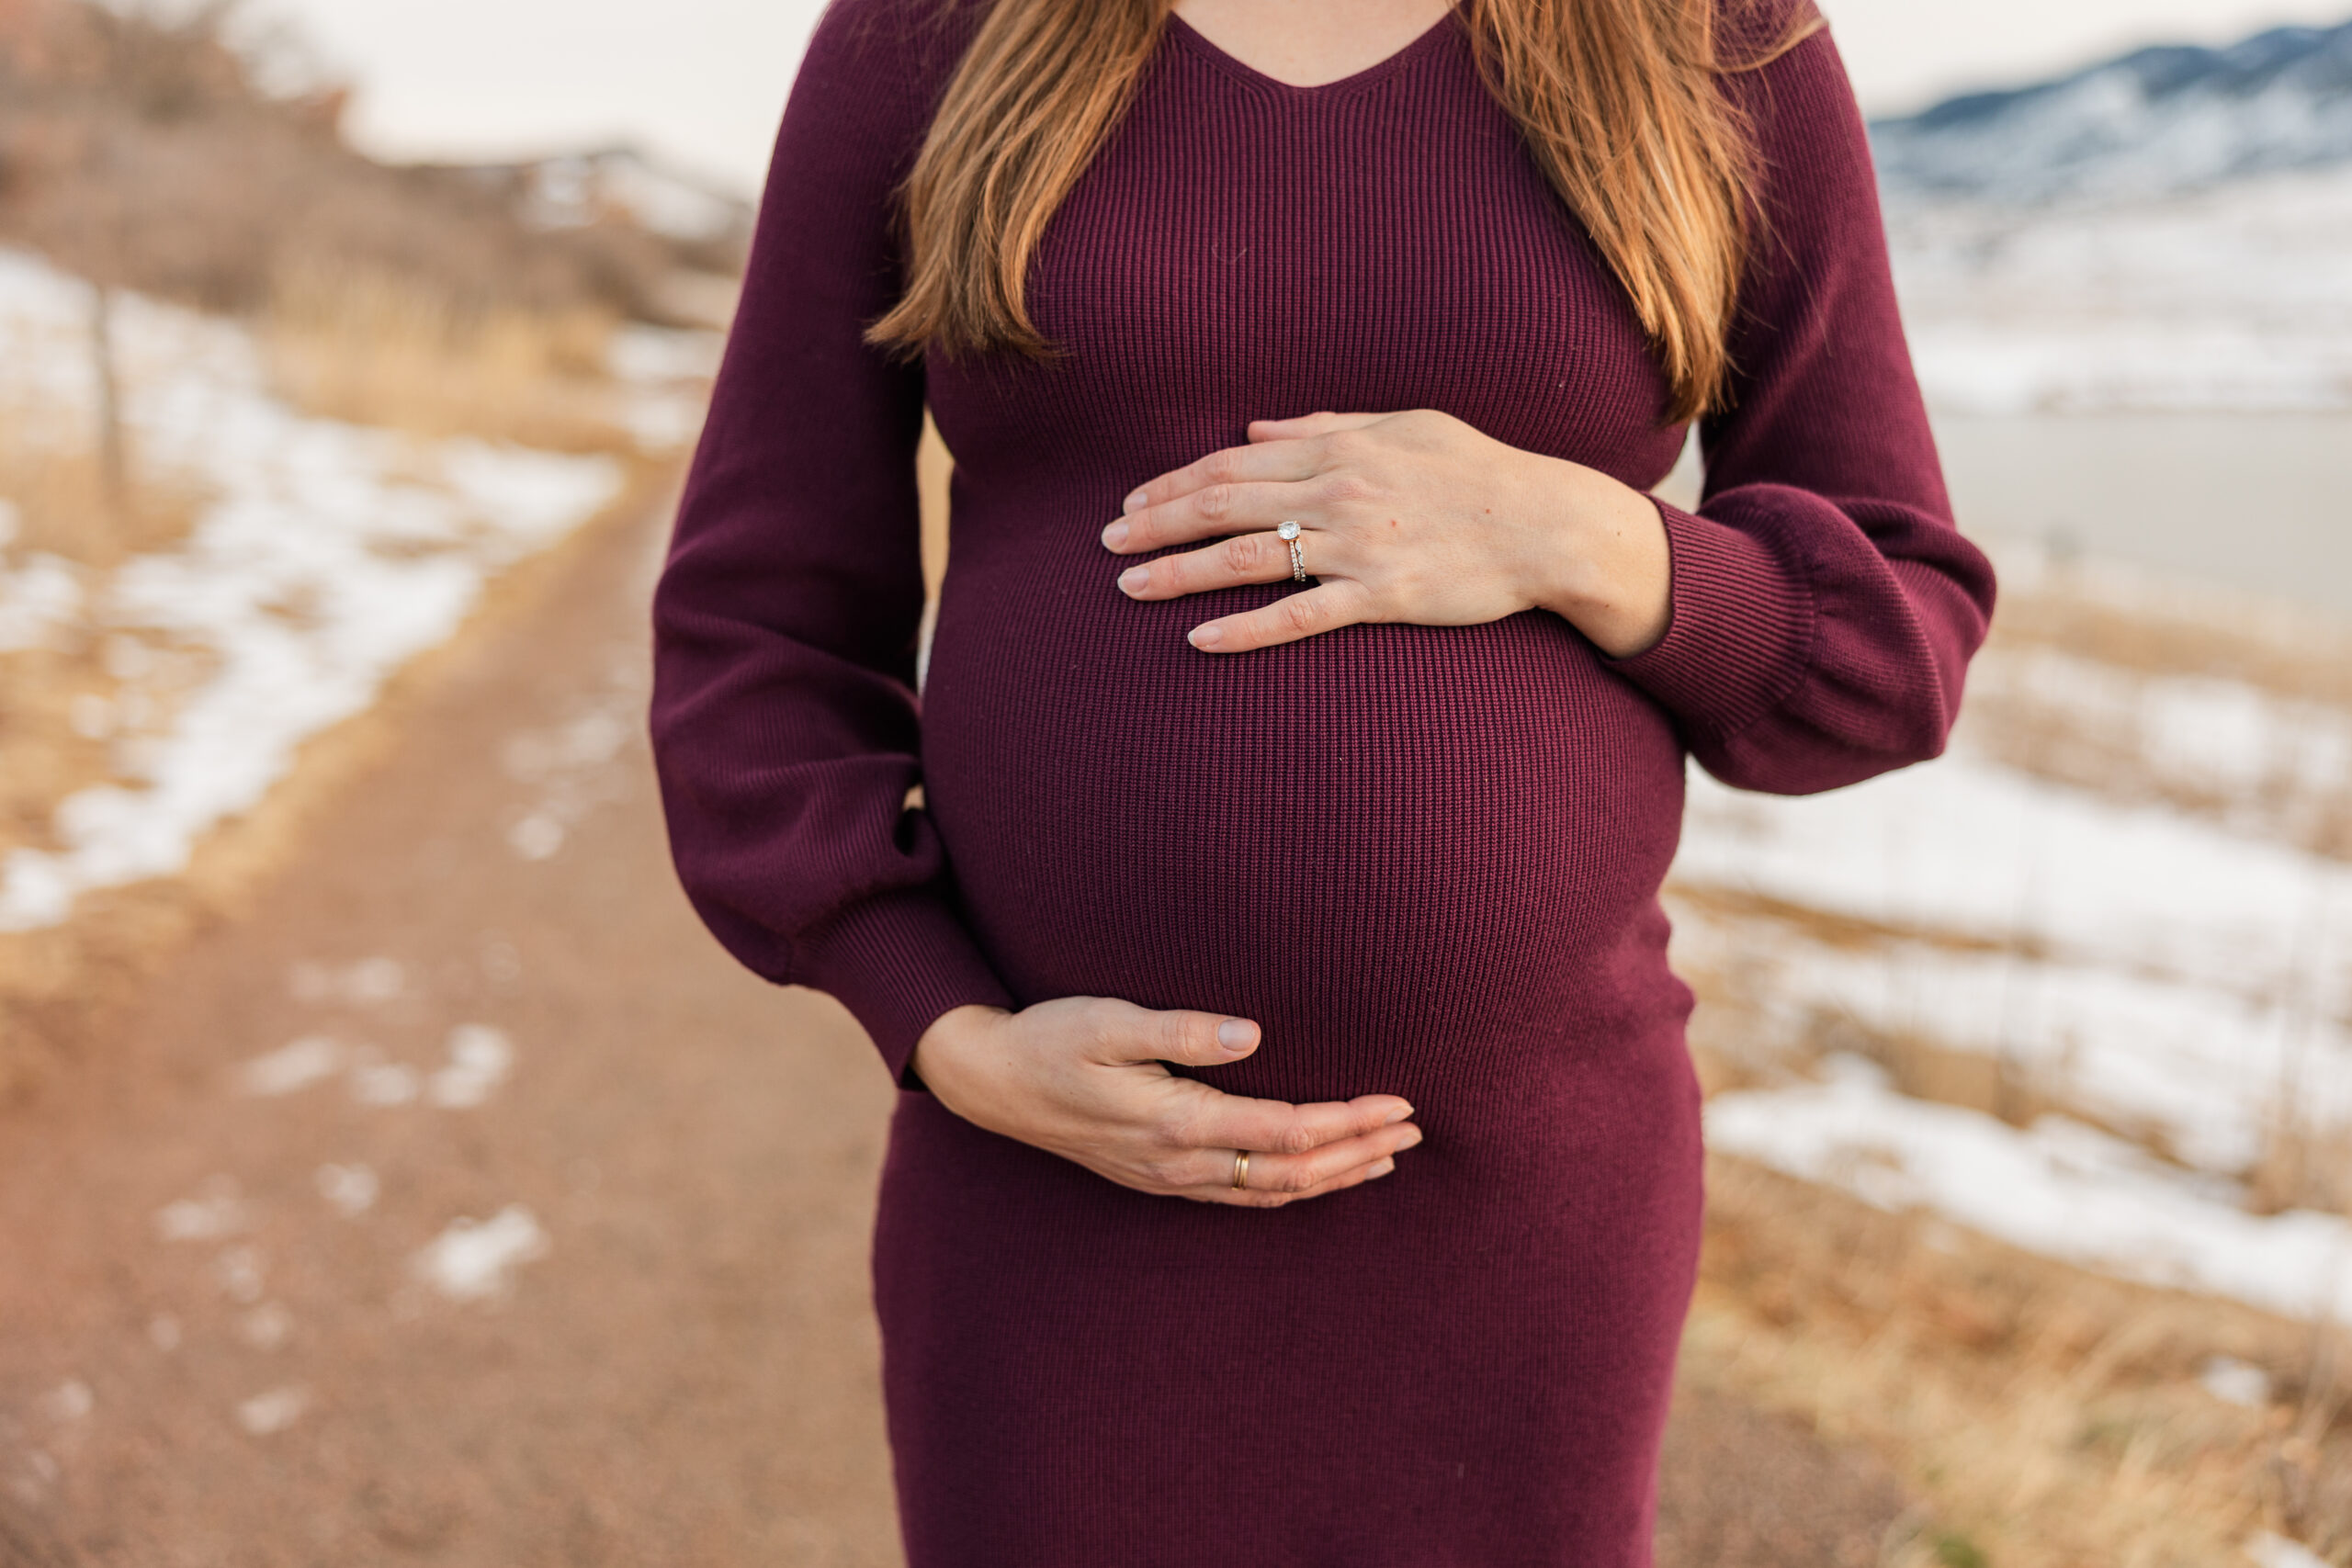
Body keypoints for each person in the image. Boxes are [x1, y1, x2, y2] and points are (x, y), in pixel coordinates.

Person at [648, 0, 1996, 1558]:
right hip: (1051, 1182)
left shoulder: (1720, 43)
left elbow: (1897, 650)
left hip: (1523, 1215)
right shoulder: (933, 33)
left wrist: (1568, 533)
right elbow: (758, 621)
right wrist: (944, 1034)